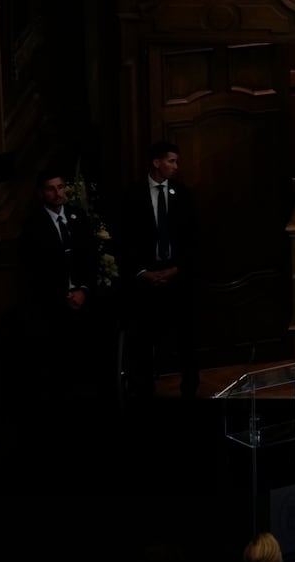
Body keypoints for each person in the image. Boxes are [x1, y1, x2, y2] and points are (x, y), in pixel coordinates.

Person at [119, 139, 197, 398]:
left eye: (176, 161)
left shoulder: (183, 194)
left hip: (177, 277)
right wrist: (142, 272)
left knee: (186, 337)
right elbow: (125, 239)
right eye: (171, 161)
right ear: (156, 163)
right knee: (143, 339)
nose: (175, 166)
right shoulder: (132, 194)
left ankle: (190, 389)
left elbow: (192, 238)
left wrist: (176, 269)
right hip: (145, 279)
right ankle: (144, 393)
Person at [17, 169, 101, 395]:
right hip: (52, 306)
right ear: (41, 193)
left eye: (61, 187)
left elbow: (91, 258)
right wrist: (63, 296)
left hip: (84, 299)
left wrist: (83, 290)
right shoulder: (33, 226)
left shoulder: (78, 217)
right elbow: (32, 272)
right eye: (51, 189)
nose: (57, 193)